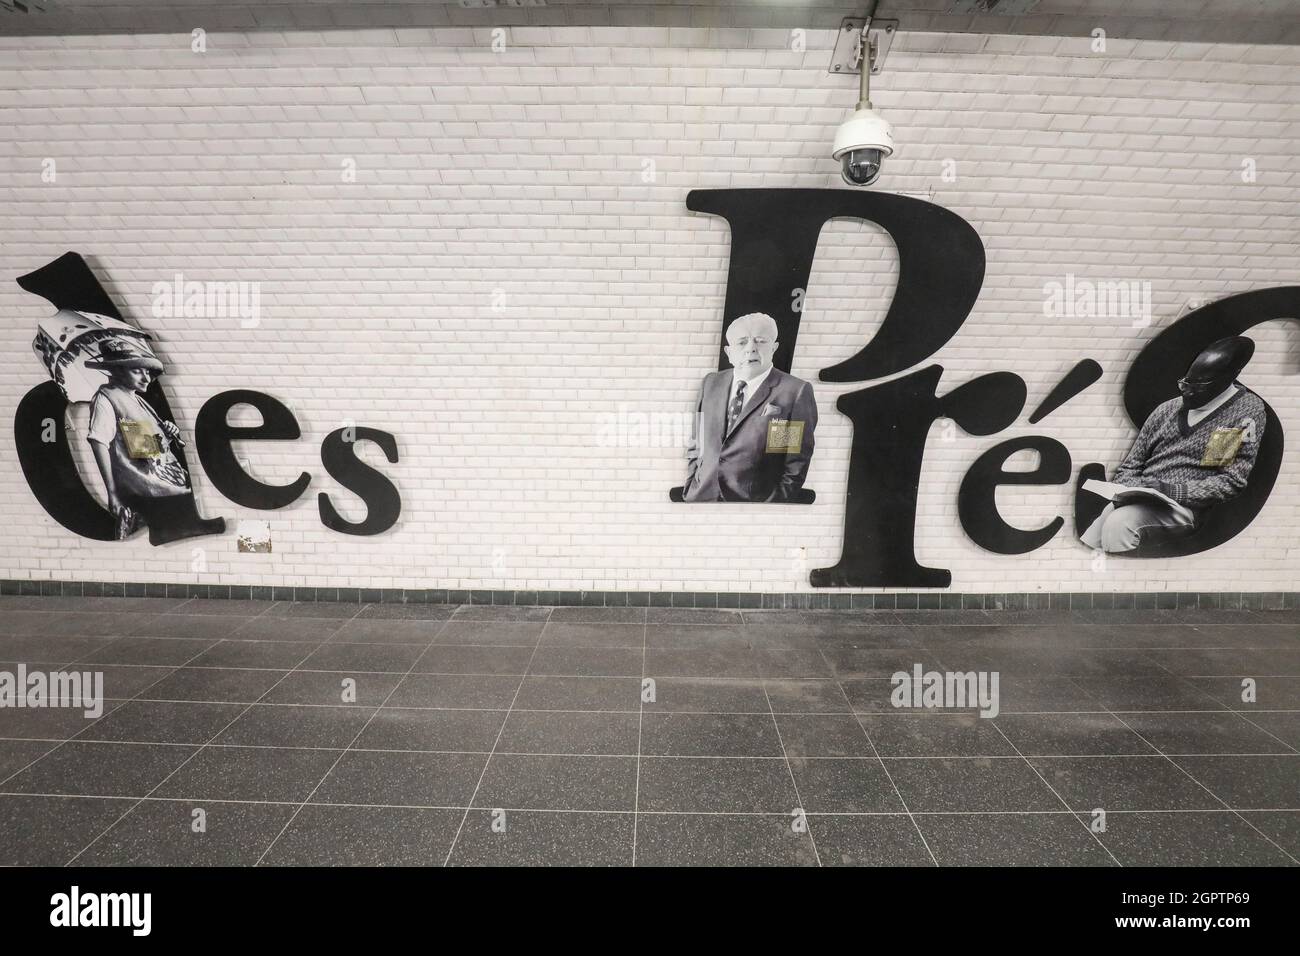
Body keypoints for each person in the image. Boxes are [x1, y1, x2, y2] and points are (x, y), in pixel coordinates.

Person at [1082, 335, 1265, 553]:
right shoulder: (1166, 410)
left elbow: (1227, 481)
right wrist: (1130, 490)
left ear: (1230, 377)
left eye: (1198, 385)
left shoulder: (1238, 414)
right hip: (1143, 499)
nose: (1186, 391)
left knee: (1119, 522)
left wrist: (1172, 491)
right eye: (1186, 382)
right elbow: (1131, 466)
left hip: (1183, 508)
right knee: (1092, 538)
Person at [682, 312, 818, 502]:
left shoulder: (793, 392)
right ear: (729, 353)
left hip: (753, 505)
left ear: (774, 348)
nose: (751, 349)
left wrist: (771, 505)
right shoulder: (711, 383)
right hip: (701, 498)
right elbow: (696, 442)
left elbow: (795, 462)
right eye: (742, 342)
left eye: (760, 341)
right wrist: (690, 486)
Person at [84, 338, 192, 539]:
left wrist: (166, 431)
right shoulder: (106, 399)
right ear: (116, 371)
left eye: (147, 371)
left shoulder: (136, 399)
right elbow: (99, 442)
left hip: (164, 486)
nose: (147, 378)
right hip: (142, 495)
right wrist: (112, 493)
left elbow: (145, 446)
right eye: (137, 371)